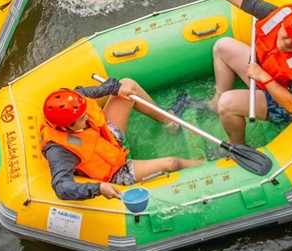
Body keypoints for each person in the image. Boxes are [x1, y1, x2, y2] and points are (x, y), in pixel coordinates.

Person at [170, 0, 292, 145]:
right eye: (286, 35)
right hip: (261, 75)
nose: (288, 43)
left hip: (282, 102)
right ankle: (215, 103)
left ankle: (238, 147)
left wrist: (263, 77)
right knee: (223, 46)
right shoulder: (274, 15)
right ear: (283, 23)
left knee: (227, 104)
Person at [41, 77, 202, 201]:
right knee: (173, 164)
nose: (87, 116)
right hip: (113, 172)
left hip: (107, 137)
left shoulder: (73, 100)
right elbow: (61, 187)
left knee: (128, 85)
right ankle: (208, 166)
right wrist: (98, 188)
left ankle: (170, 122)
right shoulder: (59, 150)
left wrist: (117, 88)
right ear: (66, 127)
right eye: (82, 118)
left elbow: (97, 90)